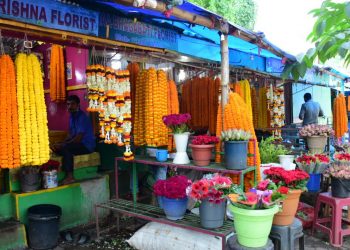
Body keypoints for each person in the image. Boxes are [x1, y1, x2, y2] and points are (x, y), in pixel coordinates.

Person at [52, 95, 96, 184]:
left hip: (86, 146)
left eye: (72, 104)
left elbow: (78, 138)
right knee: (56, 147)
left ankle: (70, 177)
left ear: (78, 105)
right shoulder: (72, 116)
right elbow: (70, 134)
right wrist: (61, 143)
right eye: (68, 104)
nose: (70, 106)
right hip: (78, 144)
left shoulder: (82, 117)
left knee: (66, 148)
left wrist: (64, 145)